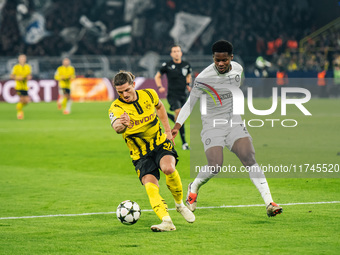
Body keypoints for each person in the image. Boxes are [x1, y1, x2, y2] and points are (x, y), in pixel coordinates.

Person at [172, 40, 283, 217]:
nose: (221, 64)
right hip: (212, 125)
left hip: (233, 121)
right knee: (215, 165)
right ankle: (194, 187)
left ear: (231, 58)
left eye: (224, 60)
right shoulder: (203, 78)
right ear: (213, 58)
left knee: (249, 157)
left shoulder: (238, 69)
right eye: (217, 60)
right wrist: (177, 126)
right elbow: (189, 103)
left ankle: (269, 202)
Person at [108, 71, 195, 232]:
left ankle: (180, 204)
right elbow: (116, 128)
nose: (124, 95)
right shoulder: (116, 107)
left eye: (127, 90)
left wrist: (168, 131)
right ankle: (166, 221)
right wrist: (123, 124)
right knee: (150, 185)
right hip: (140, 154)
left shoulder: (149, 94)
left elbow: (160, 107)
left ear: (133, 85)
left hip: (159, 143)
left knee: (169, 168)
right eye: (120, 92)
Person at [154, 45, 192, 150]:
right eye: (174, 51)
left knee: (180, 119)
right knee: (179, 113)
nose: (176, 53)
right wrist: (159, 86)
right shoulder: (167, 65)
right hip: (172, 95)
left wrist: (188, 84)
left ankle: (163, 115)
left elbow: (189, 75)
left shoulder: (186, 65)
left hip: (183, 94)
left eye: (178, 51)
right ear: (171, 54)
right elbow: (157, 76)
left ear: (181, 53)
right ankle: (184, 143)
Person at [10, 54, 32, 120]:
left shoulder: (28, 67)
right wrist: (17, 78)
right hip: (19, 86)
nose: (22, 60)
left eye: (24, 58)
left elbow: (29, 76)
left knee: (27, 101)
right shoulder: (16, 67)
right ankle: (19, 113)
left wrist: (28, 77)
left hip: (25, 86)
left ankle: (19, 106)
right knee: (22, 99)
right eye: (21, 58)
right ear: (19, 59)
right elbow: (11, 76)